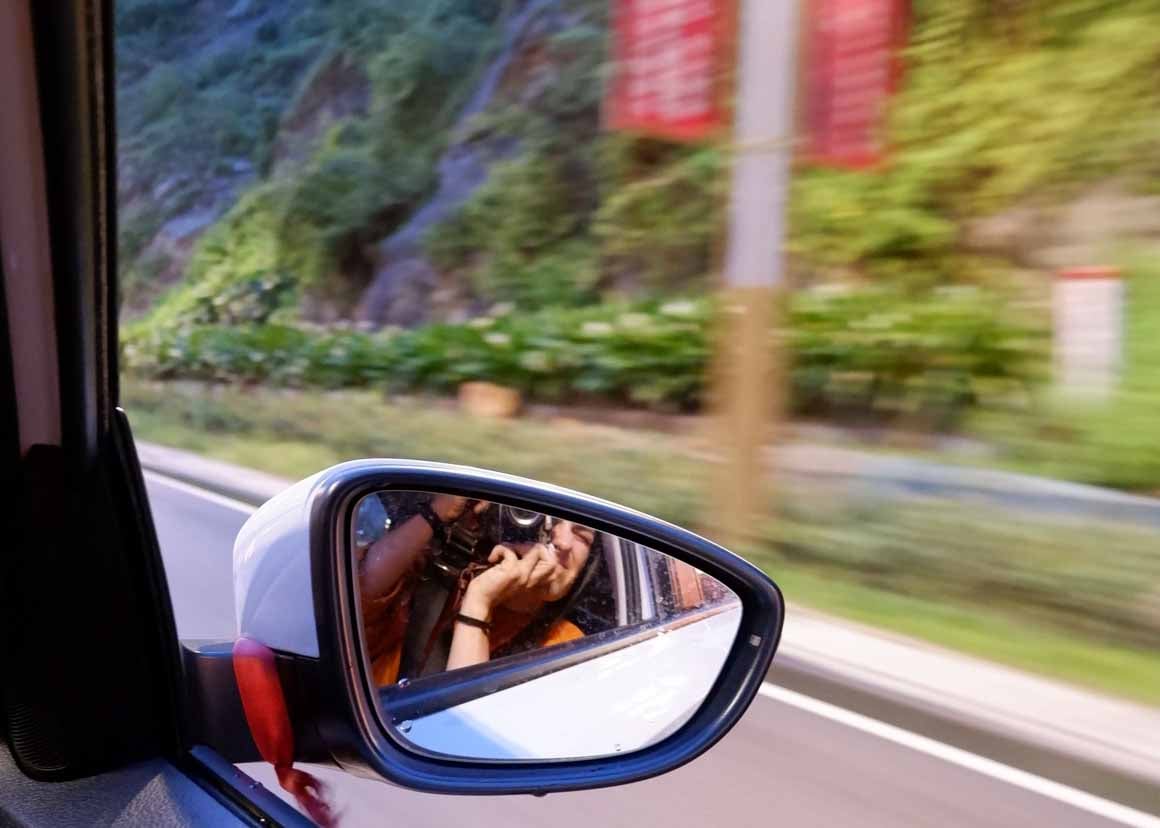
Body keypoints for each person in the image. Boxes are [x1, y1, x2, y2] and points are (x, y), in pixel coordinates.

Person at [446, 519, 596, 670]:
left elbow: (470, 694)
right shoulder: (454, 584)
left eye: (582, 537)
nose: (563, 543)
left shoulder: (568, 645)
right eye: (549, 520)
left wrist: (478, 602)